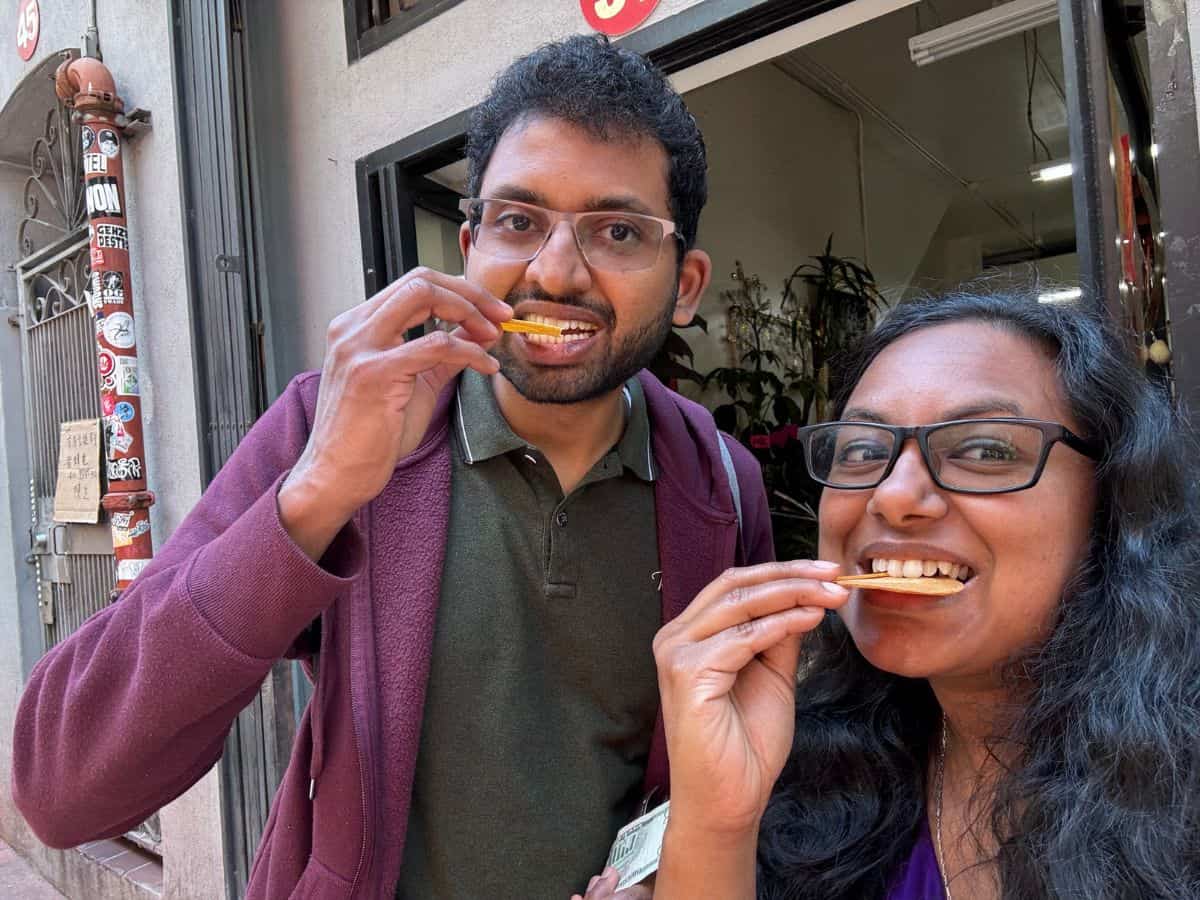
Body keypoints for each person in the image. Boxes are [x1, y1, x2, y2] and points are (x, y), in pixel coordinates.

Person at [12, 35, 773, 899]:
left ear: (686, 283)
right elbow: (63, 789)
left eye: (619, 231)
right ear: (471, 240)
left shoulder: (718, 480)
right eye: (519, 222)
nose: (556, 272)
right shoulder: (334, 424)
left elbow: (714, 758)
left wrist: (662, 870)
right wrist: (315, 495)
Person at [595, 292, 1200, 899]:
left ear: (1111, 502)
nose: (891, 495)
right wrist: (716, 827)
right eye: (862, 450)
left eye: (985, 449)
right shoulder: (816, 770)